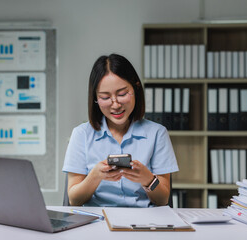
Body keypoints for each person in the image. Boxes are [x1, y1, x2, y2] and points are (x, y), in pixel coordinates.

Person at [62, 53, 179, 207]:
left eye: (122, 94)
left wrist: (148, 179)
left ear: (136, 88)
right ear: (95, 98)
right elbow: (74, 200)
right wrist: (95, 176)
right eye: (105, 97)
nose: (115, 104)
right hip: (97, 222)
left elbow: (163, 199)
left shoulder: (157, 133)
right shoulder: (81, 134)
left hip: (143, 223)